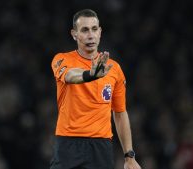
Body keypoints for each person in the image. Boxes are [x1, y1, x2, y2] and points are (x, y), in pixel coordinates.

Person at [50, 9, 141, 169]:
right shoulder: (62, 59)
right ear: (74, 34)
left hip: (101, 146)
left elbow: (120, 113)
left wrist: (129, 156)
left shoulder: (114, 69)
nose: (90, 35)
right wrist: (90, 75)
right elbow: (71, 76)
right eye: (84, 30)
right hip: (68, 144)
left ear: (100, 32)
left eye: (94, 29)